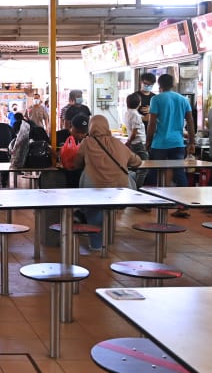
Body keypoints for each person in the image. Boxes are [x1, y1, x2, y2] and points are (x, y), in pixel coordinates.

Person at [73, 115, 141, 250]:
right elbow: (137, 161)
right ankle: (108, 238)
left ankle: (97, 244)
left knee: (93, 209)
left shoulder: (87, 143)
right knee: (107, 205)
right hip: (121, 191)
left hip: (95, 190)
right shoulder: (118, 143)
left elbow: (76, 163)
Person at [145, 73, 195, 217]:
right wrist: (192, 141)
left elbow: (152, 122)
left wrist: (148, 141)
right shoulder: (182, 99)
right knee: (179, 172)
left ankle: (145, 203)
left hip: (159, 143)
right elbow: (190, 121)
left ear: (159, 85)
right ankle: (183, 205)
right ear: (173, 84)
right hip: (177, 143)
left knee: (153, 172)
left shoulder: (156, 99)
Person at [124, 92, 148, 188]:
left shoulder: (128, 113)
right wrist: (129, 141)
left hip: (134, 143)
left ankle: (133, 185)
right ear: (139, 103)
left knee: (135, 165)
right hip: (139, 143)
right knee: (144, 166)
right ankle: (138, 188)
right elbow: (134, 132)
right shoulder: (136, 115)